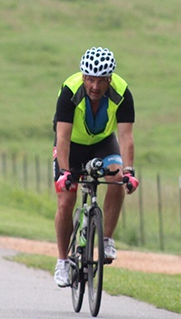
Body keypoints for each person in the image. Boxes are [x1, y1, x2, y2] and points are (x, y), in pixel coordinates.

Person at [52, 47, 139, 287]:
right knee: (65, 200)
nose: (95, 86)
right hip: (72, 145)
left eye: (101, 80)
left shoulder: (122, 93)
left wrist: (129, 172)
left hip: (103, 143)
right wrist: (66, 173)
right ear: (83, 77)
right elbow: (62, 137)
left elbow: (126, 137)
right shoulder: (70, 91)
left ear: (110, 79)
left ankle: (107, 238)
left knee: (117, 179)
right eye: (90, 79)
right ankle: (62, 262)